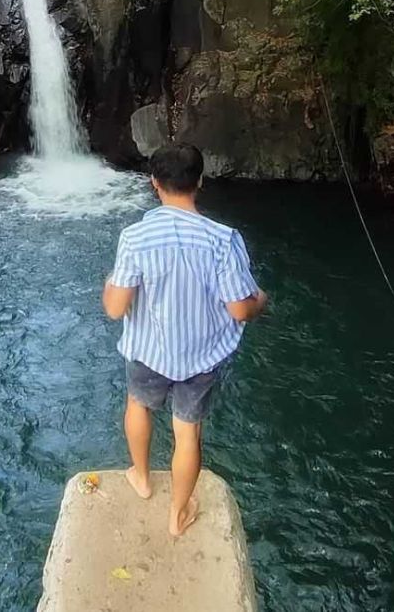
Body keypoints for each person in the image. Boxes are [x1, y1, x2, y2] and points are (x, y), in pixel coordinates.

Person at [102, 142, 267, 537]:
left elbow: (114, 307)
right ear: (200, 182)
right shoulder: (223, 239)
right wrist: (262, 299)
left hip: (149, 351)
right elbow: (240, 309)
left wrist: (108, 285)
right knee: (188, 431)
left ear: (153, 183)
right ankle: (177, 515)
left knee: (138, 406)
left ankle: (141, 479)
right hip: (200, 356)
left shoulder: (135, 237)